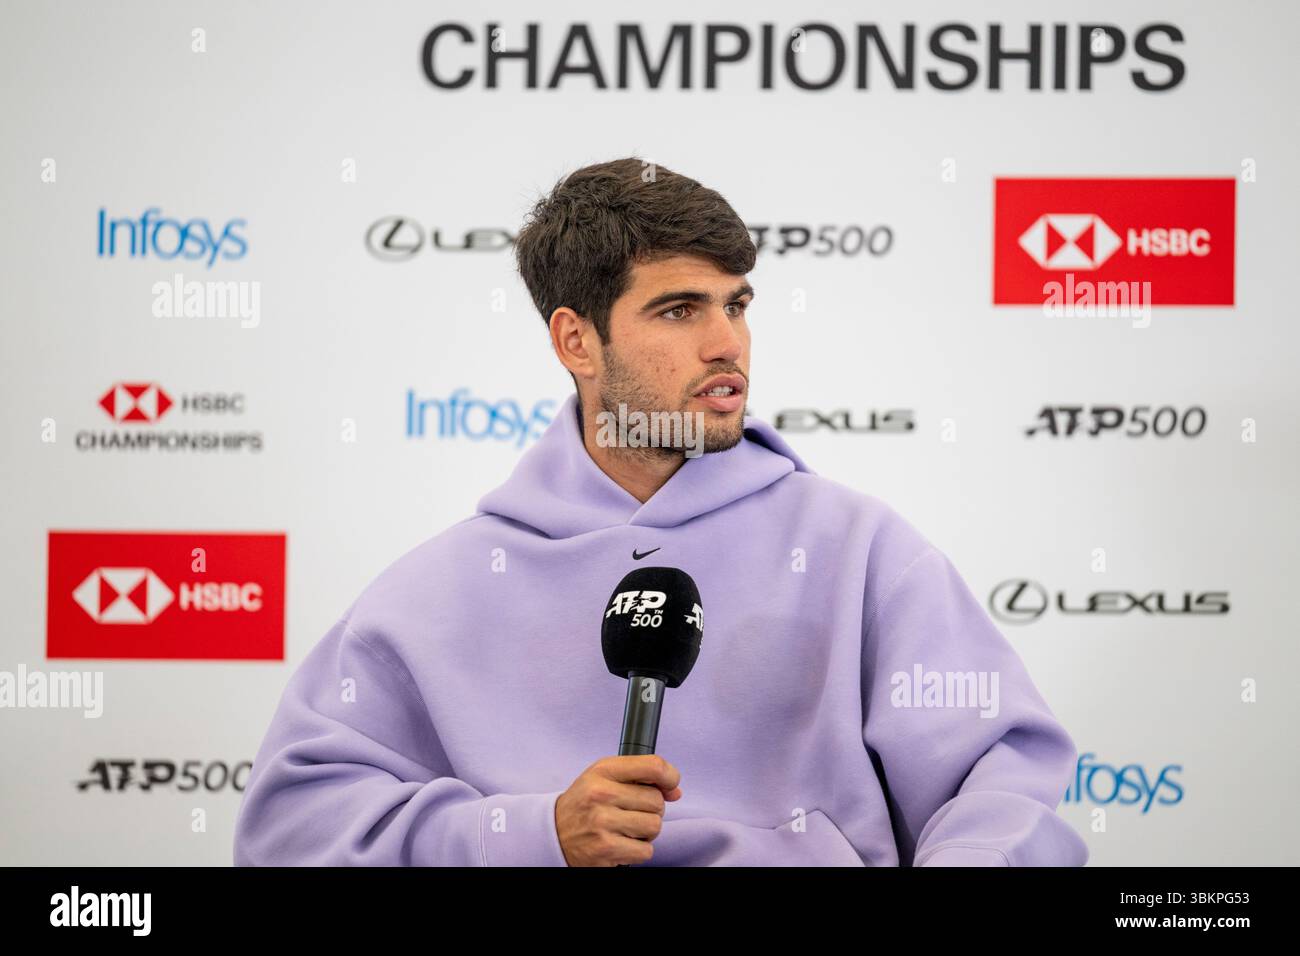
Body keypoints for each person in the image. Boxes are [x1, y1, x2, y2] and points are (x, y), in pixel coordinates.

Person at [233, 157, 1088, 867]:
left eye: (737, 304)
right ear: (577, 341)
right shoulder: (435, 594)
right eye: (680, 310)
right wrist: (535, 835)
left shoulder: (861, 552)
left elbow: (1001, 787)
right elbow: (290, 835)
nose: (727, 343)